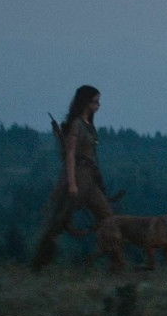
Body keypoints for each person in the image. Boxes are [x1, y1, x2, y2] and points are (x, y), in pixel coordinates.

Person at [30, 84, 116, 271]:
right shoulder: (77, 124)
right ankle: (40, 263)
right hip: (79, 176)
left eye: (98, 101)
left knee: (108, 217)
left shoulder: (89, 125)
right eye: (95, 102)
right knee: (60, 221)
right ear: (86, 102)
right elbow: (70, 154)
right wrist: (72, 183)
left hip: (90, 177)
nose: (98, 105)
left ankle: (117, 263)